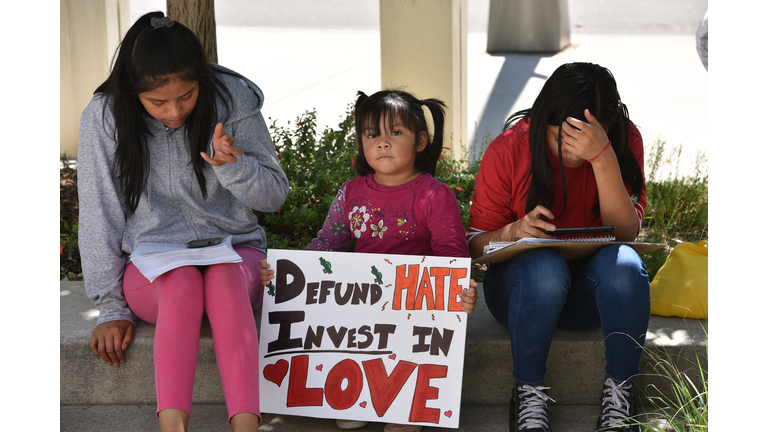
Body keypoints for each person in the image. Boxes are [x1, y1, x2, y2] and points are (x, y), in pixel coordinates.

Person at [77, 12, 289, 432]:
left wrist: (234, 166)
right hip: (154, 266)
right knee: (183, 280)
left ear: (201, 81)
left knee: (224, 277)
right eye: (157, 102)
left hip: (235, 253)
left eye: (187, 96)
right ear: (134, 90)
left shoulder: (232, 98)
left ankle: (246, 426)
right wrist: (110, 307)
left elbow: (274, 197)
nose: (174, 111)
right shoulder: (105, 116)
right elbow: (99, 210)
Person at [259, 90, 479, 432]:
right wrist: (289, 273)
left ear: (420, 141)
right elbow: (328, 244)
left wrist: (460, 289)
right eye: (372, 135)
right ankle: (358, 393)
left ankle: (404, 404)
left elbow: (451, 255)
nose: (383, 143)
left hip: (414, 310)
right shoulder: (351, 193)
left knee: (407, 358)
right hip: (362, 311)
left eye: (396, 133)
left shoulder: (435, 196)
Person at [467, 62, 649, 432]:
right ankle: (529, 393)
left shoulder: (624, 141)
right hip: (522, 292)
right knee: (544, 267)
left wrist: (604, 159)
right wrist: (515, 230)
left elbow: (626, 233)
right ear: (539, 122)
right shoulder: (509, 149)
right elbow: (476, 246)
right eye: (561, 140)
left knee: (626, 264)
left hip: (589, 296)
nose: (573, 155)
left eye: (587, 144)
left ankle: (620, 397)